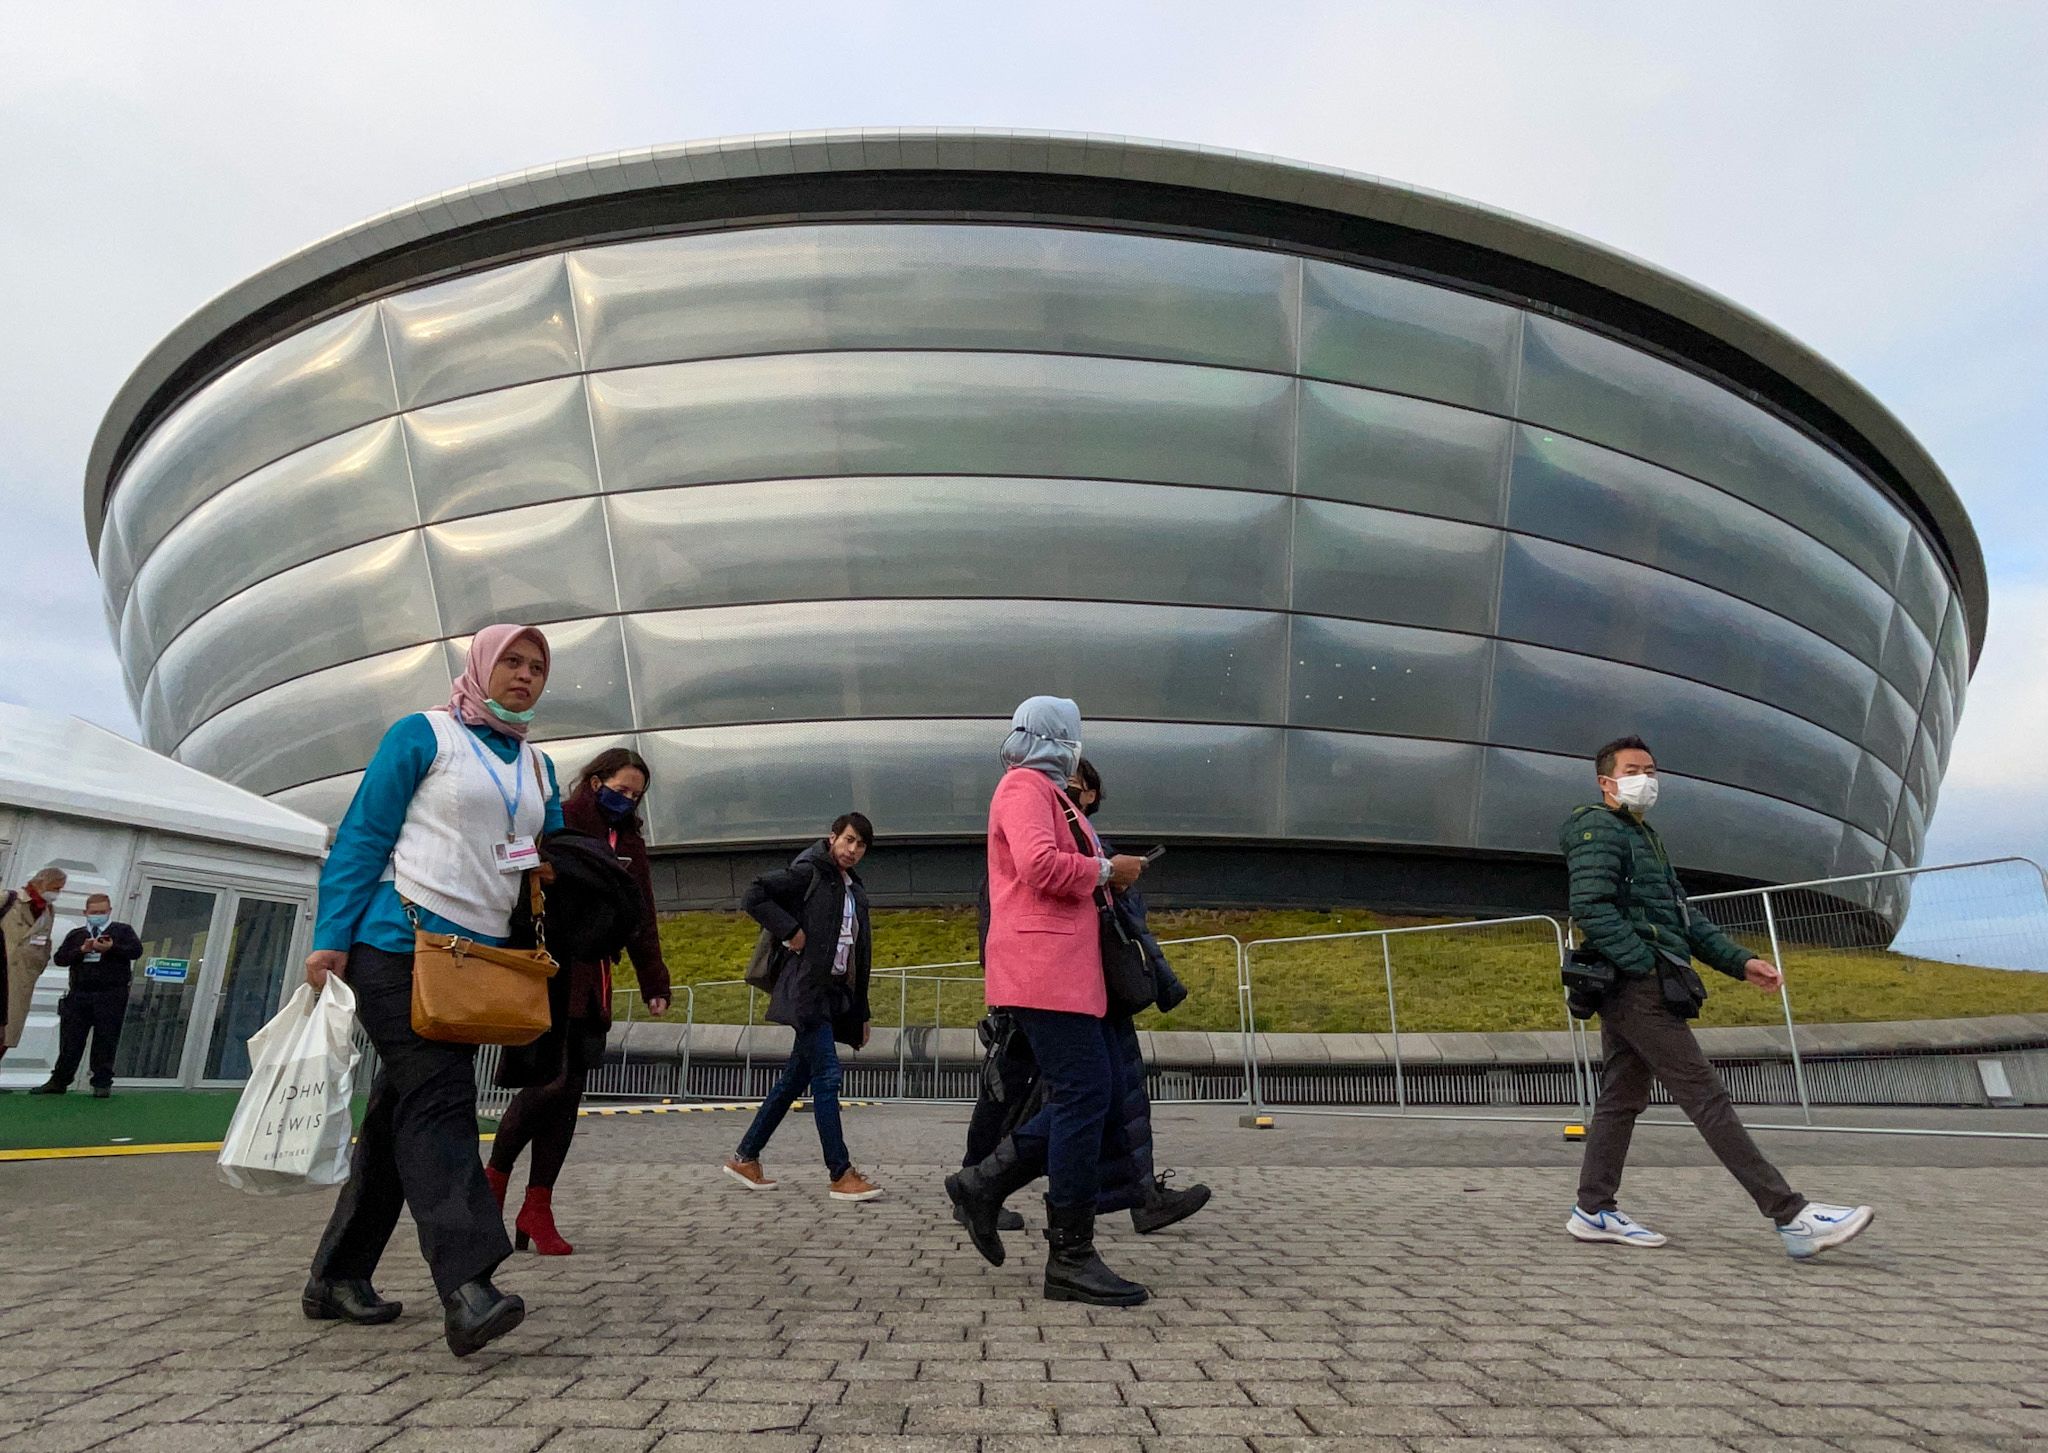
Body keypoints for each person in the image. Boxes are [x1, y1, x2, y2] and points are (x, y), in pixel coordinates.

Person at [302, 624, 563, 1356]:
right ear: (480, 666)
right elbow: (363, 833)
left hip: (473, 963)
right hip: (395, 944)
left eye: (537, 666)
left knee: (399, 1114)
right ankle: (468, 1286)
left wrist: (549, 865)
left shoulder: (539, 766)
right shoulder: (425, 735)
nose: (523, 675)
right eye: (511, 660)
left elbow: (554, 849)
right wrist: (331, 936)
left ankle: (337, 1274)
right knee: (440, 1096)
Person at [1564, 735, 1874, 1260]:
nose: (1648, 778)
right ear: (1606, 781)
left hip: (1638, 982)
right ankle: (1792, 1216)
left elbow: (1685, 917)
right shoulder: (1595, 826)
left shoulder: (1645, 836)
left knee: (1621, 1099)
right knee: (1705, 1096)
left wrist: (1740, 961)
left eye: (1652, 769)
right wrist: (1642, 963)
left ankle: (1593, 1210)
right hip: (1637, 986)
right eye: (1634, 769)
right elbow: (1589, 906)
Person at [946, 696, 1152, 1307]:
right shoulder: (1024, 787)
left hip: (1060, 971)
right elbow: (1037, 865)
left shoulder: (1047, 790)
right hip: (1043, 969)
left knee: (1086, 1095)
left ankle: (985, 1186)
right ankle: (1067, 1253)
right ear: (1058, 738)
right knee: (1086, 1093)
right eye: (1072, 737)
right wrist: (1107, 870)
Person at [960, 758, 1211, 1236]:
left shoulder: (1089, 842)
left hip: (1082, 985)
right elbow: (1013, 897)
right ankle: (981, 1182)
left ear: (1093, 795)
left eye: (1079, 782)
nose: (1068, 785)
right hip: (1043, 984)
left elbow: (1122, 922)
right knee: (1036, 1093)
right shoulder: (1031, 811)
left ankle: (1124, 1202)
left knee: (1103, 1094)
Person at [486, 747, 672, 1254]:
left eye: (636, 795)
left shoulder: (629, 840)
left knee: (569, 1095)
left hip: (594, 980)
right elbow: (512, 864)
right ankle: (492, 1187)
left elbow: (641, 915)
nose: (627, 799)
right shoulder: (560, 820)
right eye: (621, 788)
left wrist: (654, 980)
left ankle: (537, 1207)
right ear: (595, 781)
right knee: (550, 1082)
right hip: (550, 970)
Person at [723, 813, 881, 1202]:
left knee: (796, 1078)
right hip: (806, 992)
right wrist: (790, 931)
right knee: (827, 1077)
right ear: (832, 838)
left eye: (860, 845)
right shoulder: (808, 871)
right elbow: (755, 894)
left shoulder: (853, 890)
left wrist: (861, 1014)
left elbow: (859, 956)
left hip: (832, 996)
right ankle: (840, 1172)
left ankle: (746, 1157)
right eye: (848, 840)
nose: (853, 850)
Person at [32, 893, 142, 1098]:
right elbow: (61, 959)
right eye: (94, 913)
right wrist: (82, 950)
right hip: (79, 994)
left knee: (106, 1039)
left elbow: (136, 951)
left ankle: (102, 1082)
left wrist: (112, 948)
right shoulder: (77, 935)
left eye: (102, 912)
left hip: (111, 994)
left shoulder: (122, 931)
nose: (98, 916)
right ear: (86, 913)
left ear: (109, 911)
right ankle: (59, 1080)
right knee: (70, 1040)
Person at [1, 866, 67, 1089]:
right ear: (41, 883)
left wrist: (39, 963)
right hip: (4, 970)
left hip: (22, 979)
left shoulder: (49, 911)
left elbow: (45, 941)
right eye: (55, 888)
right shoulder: (9, 899)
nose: (57, 893)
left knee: (9, 1031)